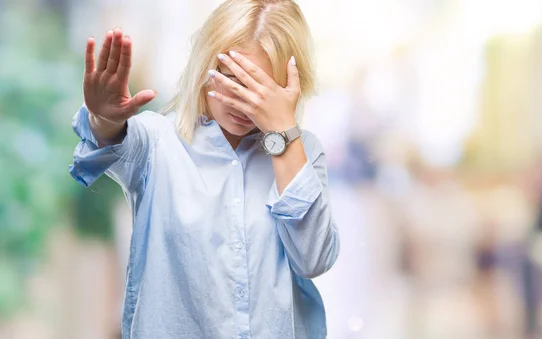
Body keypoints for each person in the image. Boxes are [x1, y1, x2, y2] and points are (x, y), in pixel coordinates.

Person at [68, 1, 340, 338]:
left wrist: (282, 135)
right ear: (205, 64)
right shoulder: (158, 142)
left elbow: (313, 259)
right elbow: (108, 140)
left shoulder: (304, 150)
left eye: (259, 87)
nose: (240, 101)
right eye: (231, 78)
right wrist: (105, 118)